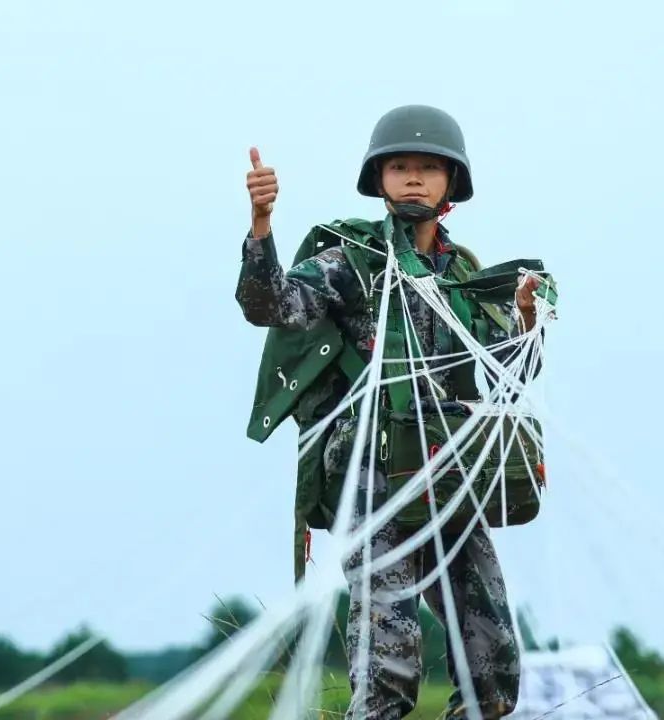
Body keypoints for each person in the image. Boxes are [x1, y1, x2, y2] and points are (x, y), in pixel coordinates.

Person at [236, 104, 544, 719]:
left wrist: (528, 321)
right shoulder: (351, 260)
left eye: (428, 168)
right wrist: (262, 225)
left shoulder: (464, 275)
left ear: (451, 183)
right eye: (400, 166)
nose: (413, 179)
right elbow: (270, 305)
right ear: (379, 179)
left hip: (449, 471)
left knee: (494, 665)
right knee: (389, 669)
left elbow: (511, 370)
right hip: (371, 475)